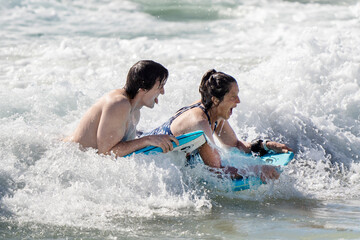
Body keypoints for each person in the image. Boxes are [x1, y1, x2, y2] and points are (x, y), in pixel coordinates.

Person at [143, 69, 293, 181]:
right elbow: (216, 171)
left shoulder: (214, 112)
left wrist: (266, 145)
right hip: (146, 159)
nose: (238, 101)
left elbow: (234, 145)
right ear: (215, 99)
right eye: (233, 97)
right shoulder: (199, 123)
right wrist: (257, 170)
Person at [65, 60, 179, 157]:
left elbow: (123, 148)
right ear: (143, 90)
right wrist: (147, 139)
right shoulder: (119, 104)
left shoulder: (135, 110)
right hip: (68, 155)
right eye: (160, 87)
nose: (163, 92)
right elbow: (106, 153)